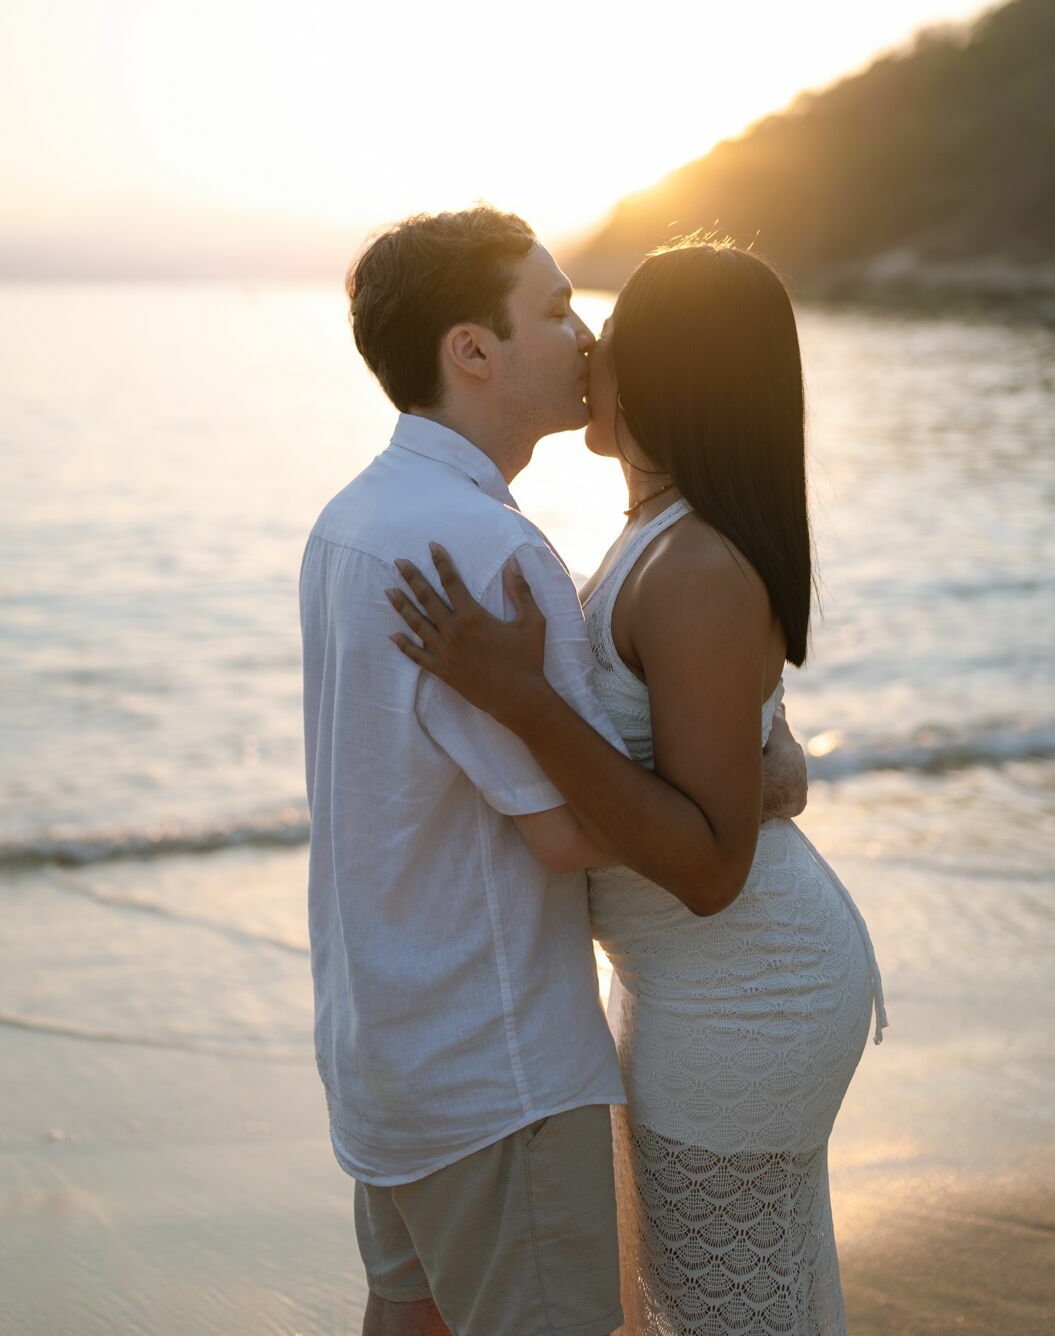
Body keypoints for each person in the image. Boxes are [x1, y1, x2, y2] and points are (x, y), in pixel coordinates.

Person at [300, 208, 809, 1336]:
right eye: (556, 310)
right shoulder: (488, 547)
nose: (586, 338)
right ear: (472, 351)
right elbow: (569, 833)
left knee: (407, 1317)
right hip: (495, 1066)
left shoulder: (351, 520)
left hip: (381, 1040)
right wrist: (761, 782)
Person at [389, 239, 887, 1336]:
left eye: (609, 337)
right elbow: (749, 754)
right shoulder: (660, 540)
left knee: (721, 1315)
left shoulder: (698, 565)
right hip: (696, 987)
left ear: (672, 376)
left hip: (743, 994)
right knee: (745, 1304)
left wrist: (522, 701)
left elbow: (709, 868)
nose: (586, 353)